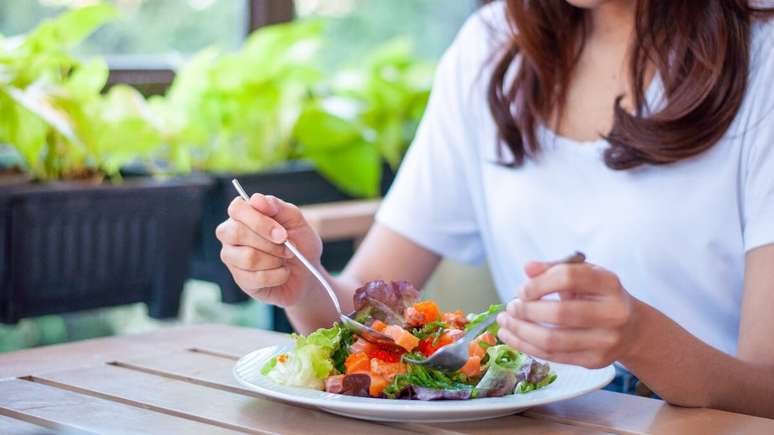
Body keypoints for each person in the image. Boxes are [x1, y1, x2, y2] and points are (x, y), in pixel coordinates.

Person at [216, 0, 774, 418]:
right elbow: (367, 315)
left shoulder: (763, 58)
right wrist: (301, 280)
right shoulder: (494, 47)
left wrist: (641, 341)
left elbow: (766, 389)